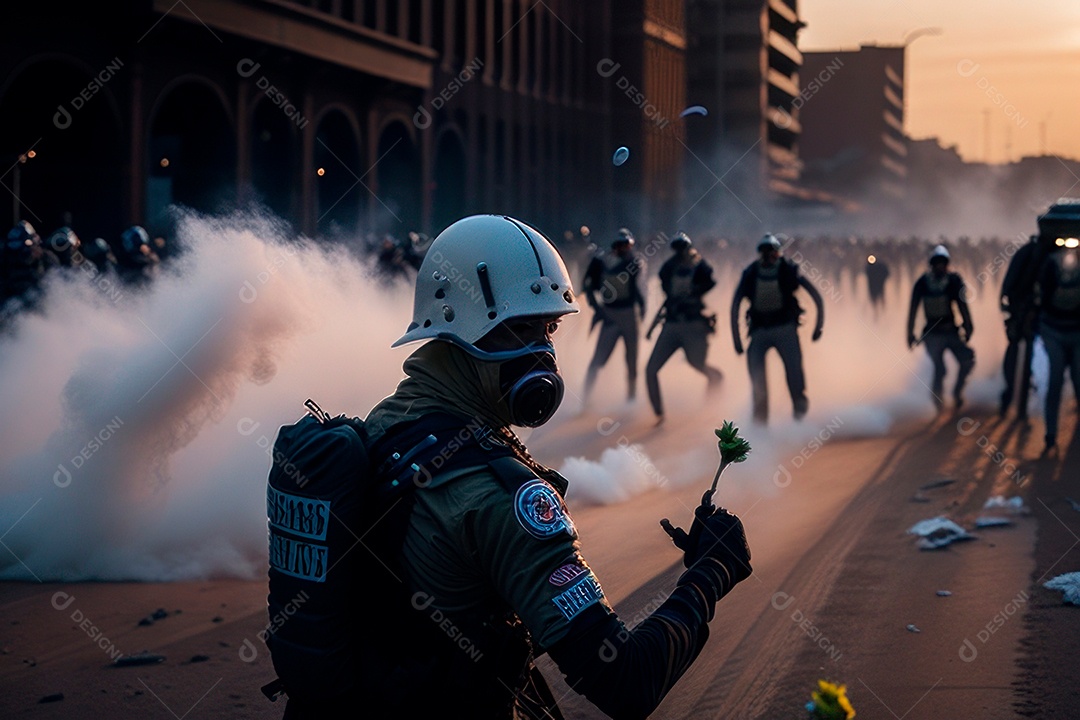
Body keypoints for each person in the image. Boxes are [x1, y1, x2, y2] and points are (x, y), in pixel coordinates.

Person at [362, 214, 752, 719]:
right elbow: (626, 680)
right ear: (462, 331)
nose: (543, 352)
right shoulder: (504, 498)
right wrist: (711, 571)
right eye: (521, 329)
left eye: (549, 328)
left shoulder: (385, 423)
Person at [730, 233, 824, 423]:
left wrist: (818, 327)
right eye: (765, 253)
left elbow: (816, 297)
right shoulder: (751, 273)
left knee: (795, 376)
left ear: (778, 254)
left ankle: (799, 417)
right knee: (758, 383)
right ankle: (760, 426)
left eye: (771, 253)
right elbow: (735, 305)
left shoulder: (788, 270)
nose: (768, 257)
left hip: (785, 329)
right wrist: (737, 340)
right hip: (759, 331)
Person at [644, 232, 723, 424]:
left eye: (682, 249)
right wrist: (652, 327)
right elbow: (667, 296)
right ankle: (659, 414)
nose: (680, 254)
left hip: (693, 324)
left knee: (697, 363)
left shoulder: (699, 266)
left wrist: (693, 294)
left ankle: (713, 399)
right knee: (651, 369)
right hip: (671, 324)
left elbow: (710, 282)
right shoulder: (669, 268)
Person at [1033, 200, 1080, 451]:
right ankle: (1051, 434)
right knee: (1055, 380)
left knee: (1079, 379)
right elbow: (1040, 293)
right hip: (1053, 329)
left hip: (1077, 329)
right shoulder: (1049, 263)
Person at [581, 227, 646, 405]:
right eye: (621, 245)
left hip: (629, 314)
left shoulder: (633, 262)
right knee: (598, 361)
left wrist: (642, 307)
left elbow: (636, 289)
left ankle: (631, 400)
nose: (624, 249)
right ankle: (585, 400)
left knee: (631, 361)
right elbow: (587, 286)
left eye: (626, 245)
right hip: (611, 315)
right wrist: (597, 308)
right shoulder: (601, 262)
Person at [906, 244, 975, 410]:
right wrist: (909, 333)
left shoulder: (953, 281)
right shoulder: (922, 283)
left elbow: (962, 305)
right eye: (937, 263)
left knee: (967, 360)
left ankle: (957, 392)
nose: (940, 266)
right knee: (940, 368)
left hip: (950, 330)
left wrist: (968, 325)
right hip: (931, 334)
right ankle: (937, 399)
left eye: (942, 263)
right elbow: (913, 310)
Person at [998, 235, 1042, 418]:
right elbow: (1007, 287)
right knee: (1015, 350)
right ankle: (1009, 395)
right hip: (1022, 312)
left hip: (1050, 316)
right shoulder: (1028, 253)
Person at [865, 253, 890, 317]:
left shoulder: (881, 266)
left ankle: (883, 314)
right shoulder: (869, 267)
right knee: (874, 302)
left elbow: (887, 274)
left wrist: (882, 280)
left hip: (879, 286)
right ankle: (877, 314)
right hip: (873, 287)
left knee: (881, 301)